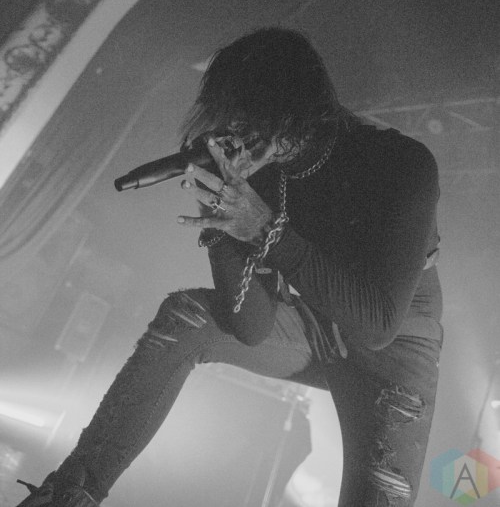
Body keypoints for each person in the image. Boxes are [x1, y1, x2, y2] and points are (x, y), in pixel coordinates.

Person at [16, 27, 443, 506]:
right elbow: (252, 327)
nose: (237, 131)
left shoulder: (400, 163)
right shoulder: (267, 172)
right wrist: (222, 216)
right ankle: (69, 493)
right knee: (186, 317)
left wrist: (265, 230)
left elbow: (377, 325)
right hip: (311, 328)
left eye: (247, 115)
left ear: (294, 107)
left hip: (393, 349)